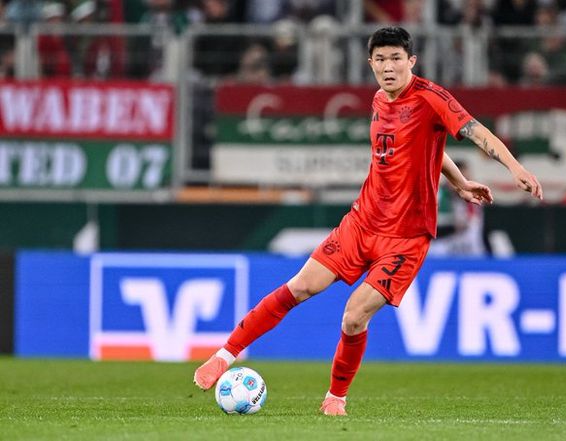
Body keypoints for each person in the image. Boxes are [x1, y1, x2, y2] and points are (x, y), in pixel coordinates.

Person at [194, 26, 543, 416]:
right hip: (362, 222)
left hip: (406, 238)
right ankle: (224, 356)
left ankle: (335, 398)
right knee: (300, 286)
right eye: (380, 60)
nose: (388, 67)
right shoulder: (379, 100)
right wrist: (459, 182)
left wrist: (515, 168)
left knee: (354, 316)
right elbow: (427, 147)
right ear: (370, 64)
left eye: (396, 59)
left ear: (411, 61)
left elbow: (476, 132)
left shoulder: (431, 98)